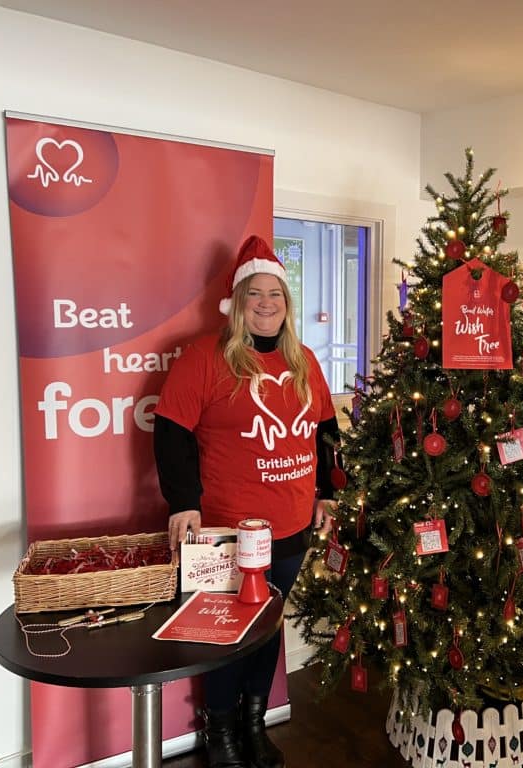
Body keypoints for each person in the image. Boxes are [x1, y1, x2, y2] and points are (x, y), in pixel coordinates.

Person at [154, 235, 339, 768]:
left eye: (275, 294)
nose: (265, 303)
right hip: (227, 530)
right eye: (254, 294)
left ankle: (254, 725)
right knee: (225, 636)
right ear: (236, 303)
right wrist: (183, 501)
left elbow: (325, 429)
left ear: (287, 303)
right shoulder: (204, 358)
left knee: (266, 630)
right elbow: (169, 433)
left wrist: (328, 490)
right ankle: (221, 735)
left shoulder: (302, 359)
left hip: (292, 523)